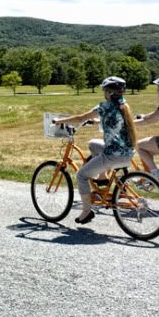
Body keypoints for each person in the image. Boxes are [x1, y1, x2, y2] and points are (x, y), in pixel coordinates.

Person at [53, 76, 138, 225]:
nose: (104, 93)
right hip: (128, 152)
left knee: (81, 175)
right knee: (93, 144)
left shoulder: (104, 107)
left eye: (105, 91)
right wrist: (96, 121)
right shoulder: (124, 105)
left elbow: (80, 118)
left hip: (113, 155)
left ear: (110, 93)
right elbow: (113, 120)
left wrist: (60, 121)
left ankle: (86, 211)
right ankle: (102, 179)